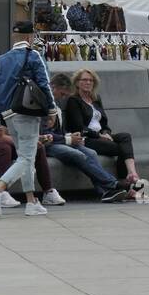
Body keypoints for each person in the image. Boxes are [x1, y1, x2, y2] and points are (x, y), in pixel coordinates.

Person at [0, 21, 59, 218]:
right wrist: (52, 110)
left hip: (8, 114)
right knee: (26, 157)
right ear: (30, 37)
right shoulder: (34, 55)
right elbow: (44, 84)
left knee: (26, 156)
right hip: (27, 112)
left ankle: (31, 201)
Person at [40, 73, 134, 202]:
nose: (63, 98)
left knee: (91, 152)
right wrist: (68, 139)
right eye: (62, 94)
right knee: (77, 154)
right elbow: (43, 132)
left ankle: (105, 192)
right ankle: (113, 184)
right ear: (53, 87)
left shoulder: (55, 103)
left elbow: (59, 130)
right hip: (47, 144)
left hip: (61, 140)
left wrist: (70, 136)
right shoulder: (44, 103)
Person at [0, 98, 66, 209]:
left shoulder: (23, 110)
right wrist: (31, 141)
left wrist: (39, 138)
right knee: (5, 148)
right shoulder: (0, 107)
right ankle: (2, 194)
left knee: (38, 149)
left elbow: (23, 136)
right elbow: (1, 138)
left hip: (9, 145)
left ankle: (48, 192)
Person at [63, 68, 143, 187]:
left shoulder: (96, 99)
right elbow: (78, 127)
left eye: (91, 80)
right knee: (121, 149)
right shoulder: (73, 101)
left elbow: (104, 123)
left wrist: (106, 133)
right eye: (84, 80)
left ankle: (132, 173)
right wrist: (99, 135)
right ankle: (127, 180)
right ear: (77, 83)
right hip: (86, 139)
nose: (88, 82)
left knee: (125, 137)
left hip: (101, 135)